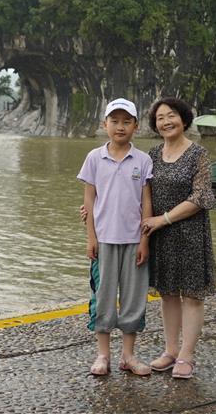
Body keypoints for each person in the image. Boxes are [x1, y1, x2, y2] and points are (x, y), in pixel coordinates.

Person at [140, 97, 216, 379]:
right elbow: (136, 191)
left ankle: (187, 355)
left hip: (190, 233)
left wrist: (163, 219)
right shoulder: (151, 154)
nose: (166, 121)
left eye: (171, 115)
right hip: (162, 237)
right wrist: (93, 205)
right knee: (168, 294)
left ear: (184, 119)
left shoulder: (198, 154)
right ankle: (170, 351)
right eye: (160, 118)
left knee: (192, 296)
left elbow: (201, 197)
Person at [77, 98, 153, 377]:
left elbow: (146, 203)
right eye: (114, 121)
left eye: (126, 121)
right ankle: (103, 355)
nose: (120, 127)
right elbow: (89, 198)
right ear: (104, 124)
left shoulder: (143, 160)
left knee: (134, 299)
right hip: (105, 240)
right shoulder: (94, 158)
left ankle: (128, 355)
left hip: (134, 240)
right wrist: (90, 238)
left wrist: (145, 239)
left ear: (136, 126)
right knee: (103, 297)